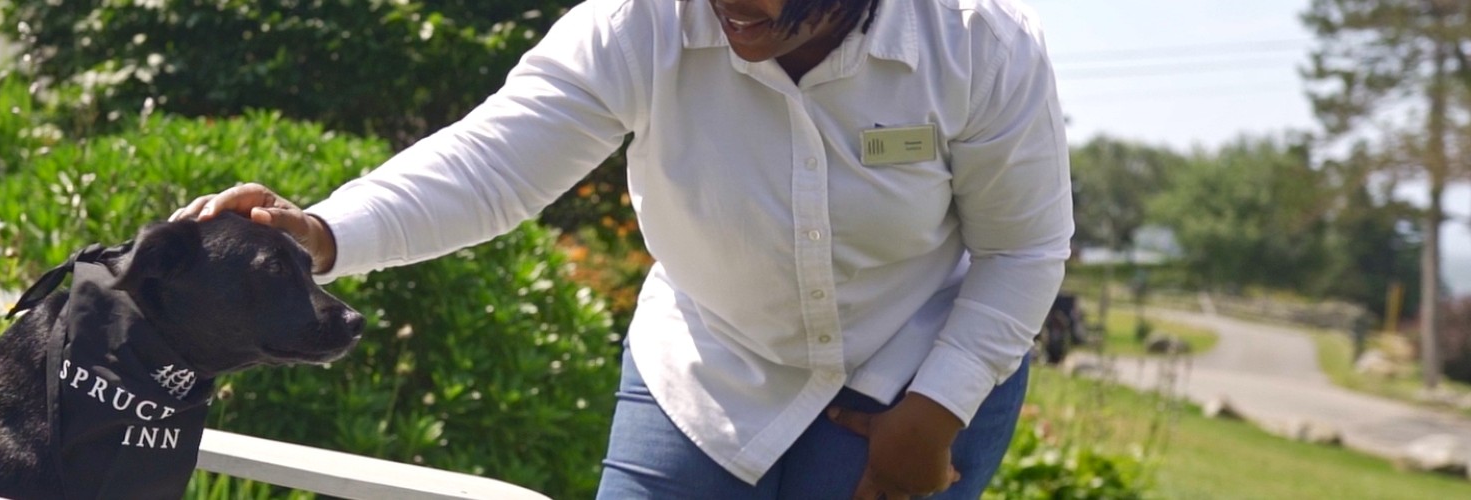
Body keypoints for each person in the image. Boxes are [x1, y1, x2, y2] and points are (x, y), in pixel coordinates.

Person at [171, 0, 1071, 498]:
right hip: (712, 362)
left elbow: (1024, 251)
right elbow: (494, 163)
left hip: (914, 368)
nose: (735, 10)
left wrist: (938, 411)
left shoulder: (980, 45)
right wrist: (324, 232)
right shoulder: (636, 22)